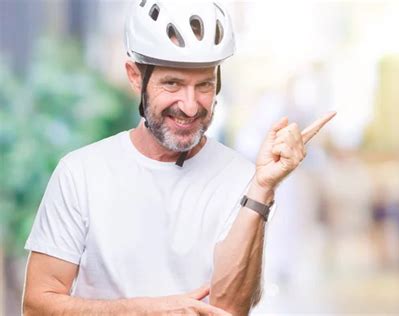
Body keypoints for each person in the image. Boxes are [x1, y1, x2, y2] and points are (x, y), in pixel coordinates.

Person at [21, 1, 336, 315]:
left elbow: (231, 308)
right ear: (135, 76)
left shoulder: (243, 179)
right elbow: (37, 305)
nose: (189, 105)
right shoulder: (80, 174)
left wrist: (263, 188)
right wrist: (146, 311)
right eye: (172, 83)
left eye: (204, 85)